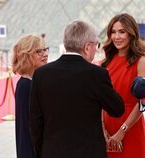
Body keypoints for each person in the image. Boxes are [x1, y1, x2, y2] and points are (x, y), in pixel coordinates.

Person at [29, 19, 125, 158]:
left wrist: (43, 152)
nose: (96, 49)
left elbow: (35, 123)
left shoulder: (41, 74)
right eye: (96, 45)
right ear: (87, 47)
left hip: (52, 152)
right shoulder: (97, 74)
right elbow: (117, 109)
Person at [101, 13, 145, 158]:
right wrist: (102, 129)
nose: (116, 37)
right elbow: (100, 100)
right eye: (113, 32)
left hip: (131, 127)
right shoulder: (104, 63)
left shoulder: (141, 61)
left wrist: (122, 131)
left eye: (122, 32)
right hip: (107, 130)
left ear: (131, 33)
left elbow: (143, 103)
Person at [12, 34, 49, 158]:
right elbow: (26, 129)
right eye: (39, 51)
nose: (45, 54)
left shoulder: (33, 81)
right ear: (27, 56)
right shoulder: (25, 86)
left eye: (45, 49)